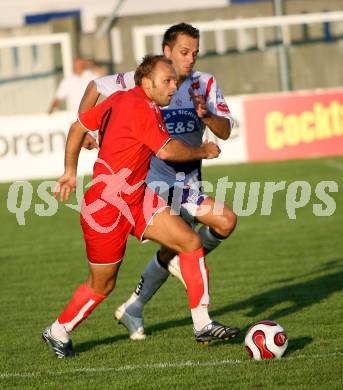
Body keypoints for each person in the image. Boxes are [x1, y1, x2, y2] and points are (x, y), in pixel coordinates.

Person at [42, 55, 240, 358]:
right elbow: (167, 150)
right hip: (105, 210)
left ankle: (202, 323)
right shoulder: (140, 108)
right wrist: (203, 150)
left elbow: (77, 126)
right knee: (102, 284)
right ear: (146, 82)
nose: (174, 87)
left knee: (189, 241)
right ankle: (58, 330)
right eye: (168, 81)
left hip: (136, 197)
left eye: (174, 80)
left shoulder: (123, 99)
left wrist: (70, 171)